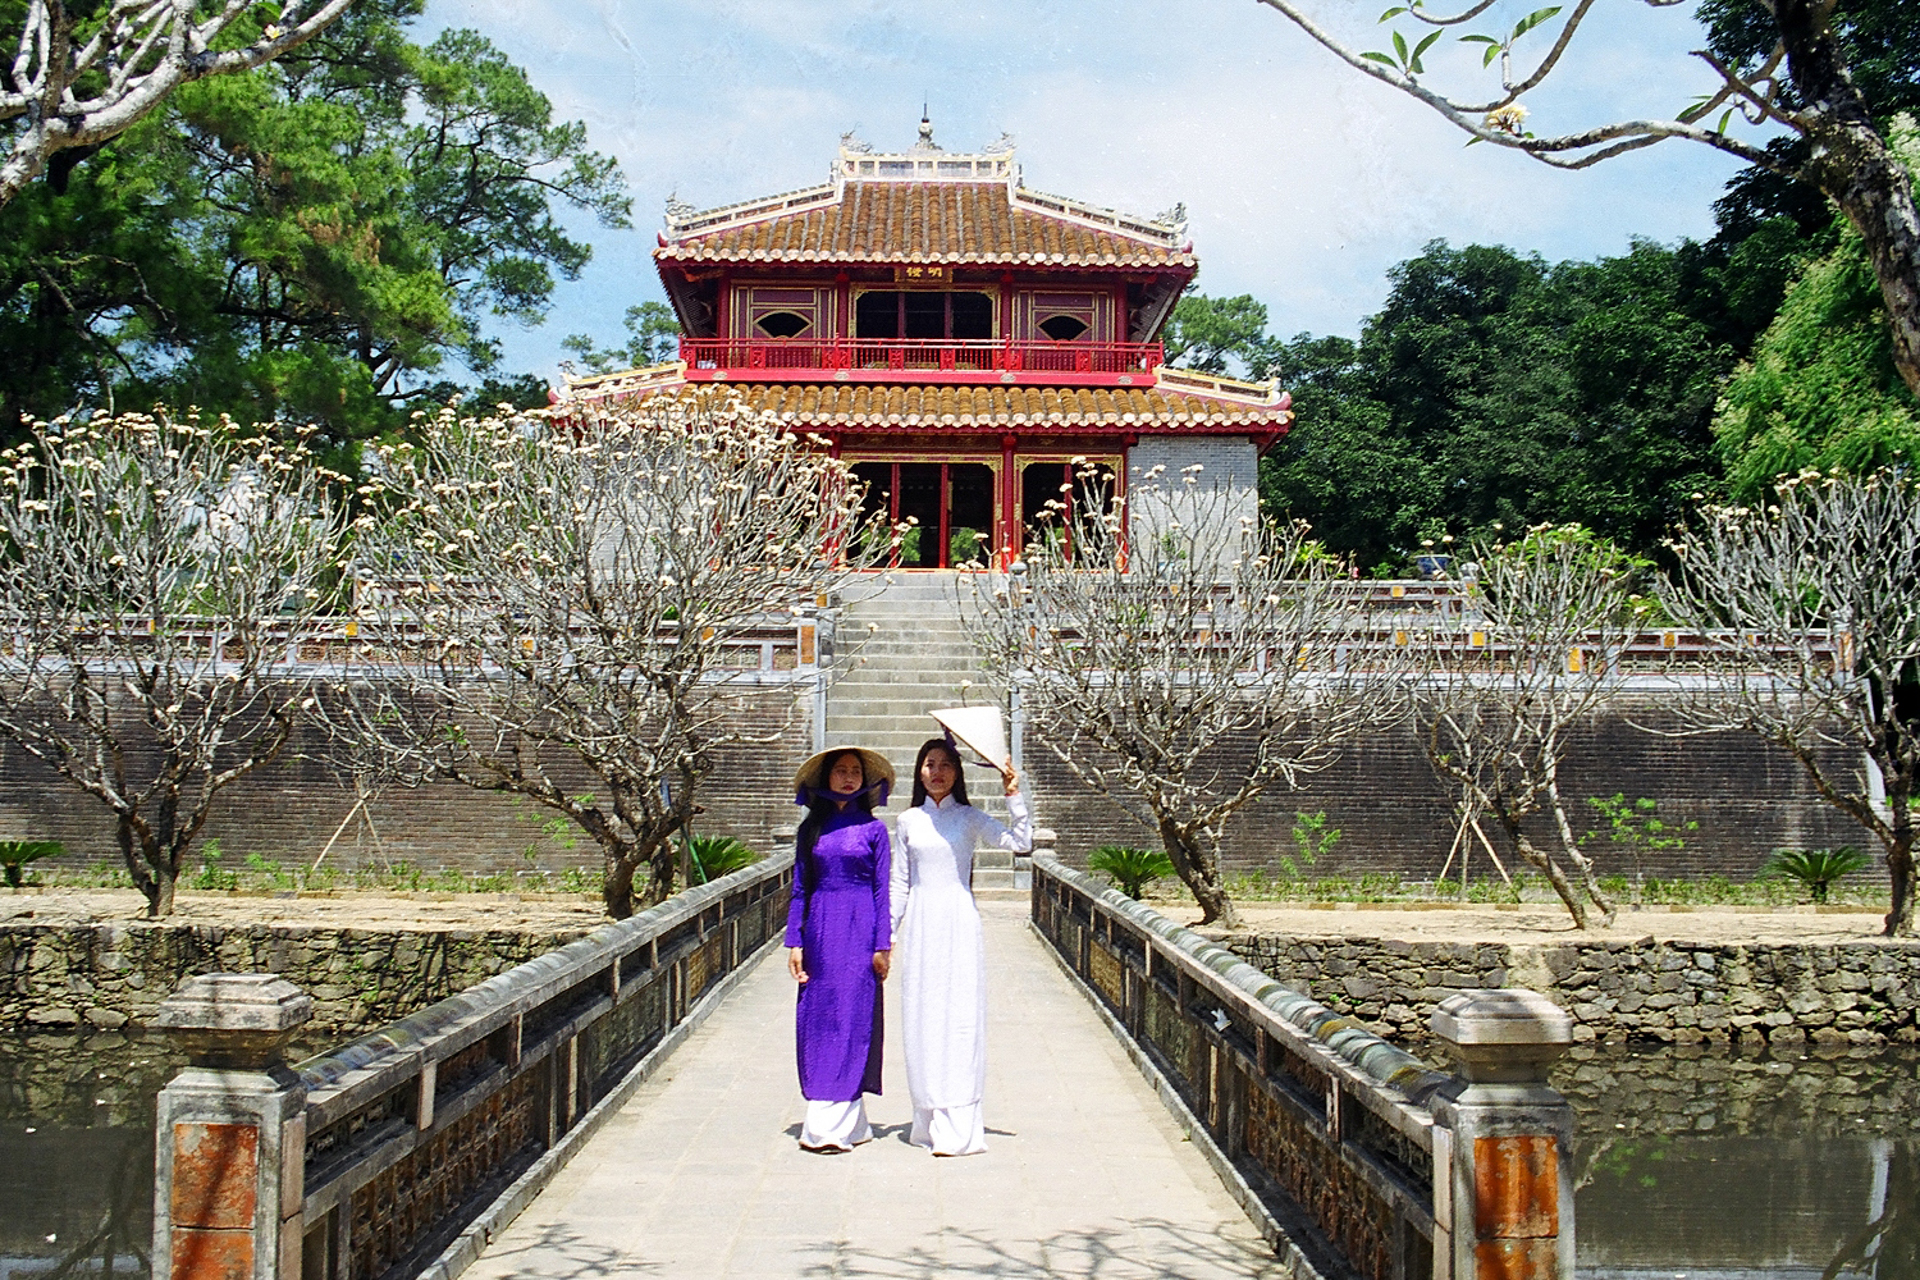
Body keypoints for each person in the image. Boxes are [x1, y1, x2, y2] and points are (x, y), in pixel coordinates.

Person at [890, 736, 1031, 1156]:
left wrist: (1013, 794)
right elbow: (899, 883)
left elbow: (1021, 843)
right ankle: (929, 1118)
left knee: (959, 1018)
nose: (937, 772)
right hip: (920, 924)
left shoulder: (969, 818)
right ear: (919, 771)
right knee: (922, 1017)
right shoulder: (907, 821)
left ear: (958, 772)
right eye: (930, 764)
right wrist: (886, 936)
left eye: (946, 764)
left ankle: (960, 1125)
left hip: (958, 923)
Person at [785, 745, 894, 1151]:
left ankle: (841, 1122)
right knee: (819, 1014)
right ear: (826, 778)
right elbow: (800, 889)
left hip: (861, 926)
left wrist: (883, 943)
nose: (848, 777)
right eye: (840, 771)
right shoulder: (811, 830)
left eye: (855, 771)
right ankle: (826, 1117)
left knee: (854, 1015)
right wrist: (794, 940)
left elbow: (883, 890)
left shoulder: (875, 831)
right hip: (820, 929)